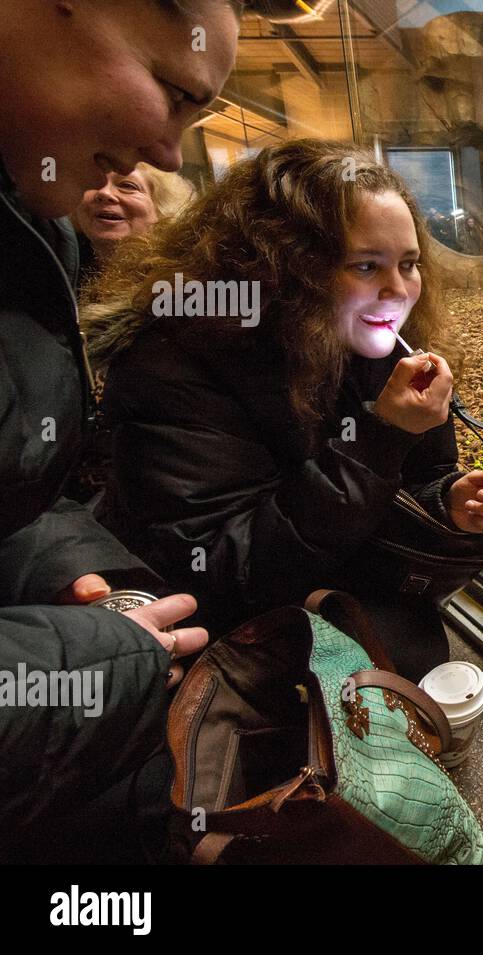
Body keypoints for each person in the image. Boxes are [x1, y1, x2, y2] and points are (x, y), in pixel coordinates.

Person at [86, 139, 483, 679]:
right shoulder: (174, 361)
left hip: (329, 575)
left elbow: (420, 479)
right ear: (281, 270)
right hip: (216, 623)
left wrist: (449, 505)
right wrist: (381, 436)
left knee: (411, 649)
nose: (397, 291)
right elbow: (228, 563)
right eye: (366, 266)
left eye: (409, 264)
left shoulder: (378, 343)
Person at [0, 0, 241, 860]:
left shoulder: (30, 226)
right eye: (174, 90)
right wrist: (91, 659)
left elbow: (18, 492)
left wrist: (82, 570)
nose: (171, 150)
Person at [72, 164, 195, 287]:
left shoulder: (182, 278)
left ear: (162, 208)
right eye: (93, 183)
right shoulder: (59, 262)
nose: (104, 193)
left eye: (127, 186)